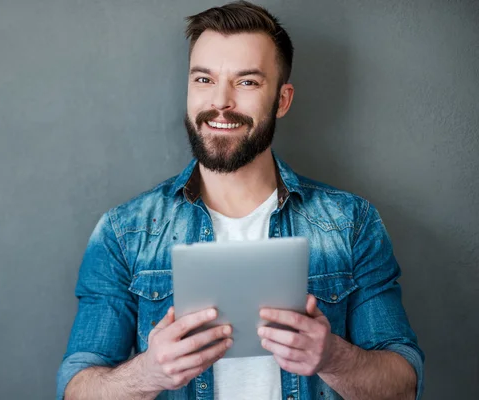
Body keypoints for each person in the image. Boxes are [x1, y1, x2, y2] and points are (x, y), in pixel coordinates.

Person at [56, 1, 424, 399]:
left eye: (246, 82)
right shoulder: (123, 231)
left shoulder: (352, 223)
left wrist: (332, 356)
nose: (221, 102)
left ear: (282, 100)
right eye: (203, 80)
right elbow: (76, 389)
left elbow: (403, 387)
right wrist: (150, 372)